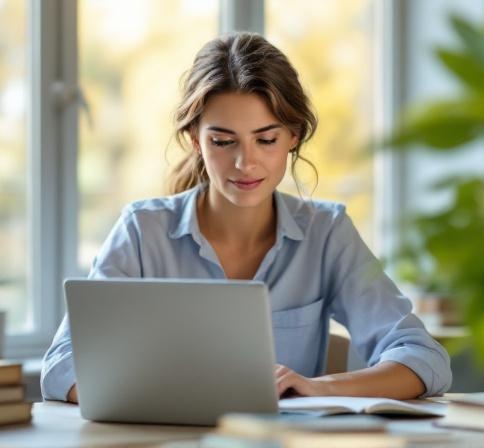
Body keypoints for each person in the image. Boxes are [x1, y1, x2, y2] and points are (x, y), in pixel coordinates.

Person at [41, 32, 451, 404]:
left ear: (293, 137)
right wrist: (183, 397)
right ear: (195, 141)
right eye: (223, 141)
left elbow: (423, 358)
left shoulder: (326, 233)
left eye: (266, 139)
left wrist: (314, 386)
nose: (244, 163)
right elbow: (62, 366)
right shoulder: (142, 230)